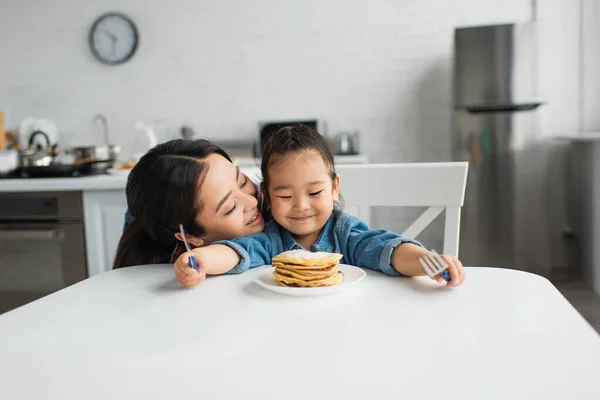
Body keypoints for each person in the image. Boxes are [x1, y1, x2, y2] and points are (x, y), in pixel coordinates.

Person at [174, 125, 466, 288]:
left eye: (314, 192)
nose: (301, 206)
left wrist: (428, 263)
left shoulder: (344, 233)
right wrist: (199, 260)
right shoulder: (270, 239)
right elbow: (236, 253)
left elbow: (386, 249)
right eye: (285, 197)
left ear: (334, 187)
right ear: (267, 194)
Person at [113, 139, 265, 270]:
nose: (252, 201)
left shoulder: (275, 200)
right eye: (230, 208)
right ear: (190, 237)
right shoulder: (176, 273)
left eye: (243, 182)